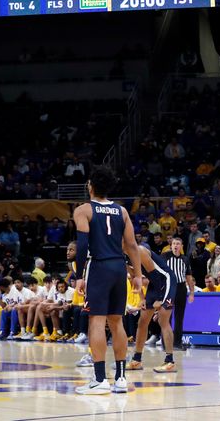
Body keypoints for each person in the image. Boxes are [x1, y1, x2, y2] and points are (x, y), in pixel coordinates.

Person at [73, 166, 141, 395]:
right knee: (117, 322)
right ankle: (121, 378)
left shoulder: (84, 210)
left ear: (90, 186)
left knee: (96, 321)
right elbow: (132, 245)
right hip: (119, 267)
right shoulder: (121, 211)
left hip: (98, 266)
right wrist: (138, 275)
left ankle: (100, 379)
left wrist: (79, 275)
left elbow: (82, 245)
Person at [127, 246, 178, 373]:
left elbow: (156, 276)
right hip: (154, 285)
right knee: (142, 322)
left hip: (166, 281)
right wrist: (142, 298)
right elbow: (135, 277)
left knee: (163, 320)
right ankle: (136, 360)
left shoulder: (140, 251)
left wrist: (160, 299)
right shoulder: (123, 256)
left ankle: (169, 361)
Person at [162, 237, 195, 350]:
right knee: (167, 317)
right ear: (171, 245)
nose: (176, 246)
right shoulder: (164, 257)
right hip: (169, 288)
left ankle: (177, 343)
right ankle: (165, 343)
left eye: (178, 244)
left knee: (179, 317)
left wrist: (191, 292)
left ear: (181, 247)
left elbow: (189, 277)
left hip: (181, 288)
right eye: (174, 244)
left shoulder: (185, 259)